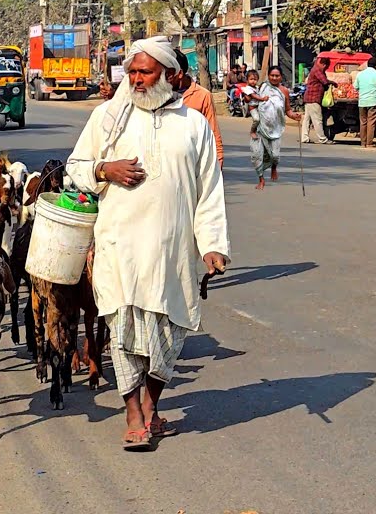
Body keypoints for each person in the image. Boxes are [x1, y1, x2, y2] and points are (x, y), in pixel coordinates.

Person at [64, 36, 229, 451]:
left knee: (170, 337)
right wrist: (106, 168)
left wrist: (212, 244)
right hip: (120, 248)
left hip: (172, 254)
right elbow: (76, 168)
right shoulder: (108, 118)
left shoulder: (192, 125)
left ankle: (151, 408)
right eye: (132, 72)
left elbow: (209, 188)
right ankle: (133, 415)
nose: (135, 79)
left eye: (145, 72)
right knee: (122, 334)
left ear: (168, 75)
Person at [172, 50, 225, 170]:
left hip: (195, 162)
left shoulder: (202, 95)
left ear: (179, 73)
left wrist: (218, 160)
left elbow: (213, 130)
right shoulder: (158, 95)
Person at [249, 66, 299, 190]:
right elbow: (251, 97)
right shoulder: (262, 87)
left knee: (275, 156)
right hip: (261, 127)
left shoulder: (284, 91)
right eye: (272, 75)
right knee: (257, 155)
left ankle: (274, 167)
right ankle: (261, 179)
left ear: (281, 77)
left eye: (277, 76)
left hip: (276, 129)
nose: (274, 78)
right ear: (268, 76)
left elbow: (287, 110)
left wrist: (295, 116)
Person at [353, 56, 376, 149]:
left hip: (362, 102)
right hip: (373, 101)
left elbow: (355, 86)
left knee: (363, 122)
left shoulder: (360, 74)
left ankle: (363, 142)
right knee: (371, 122)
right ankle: (369, 143)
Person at [301, 55, 333, 145]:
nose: (325, 68)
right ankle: (322, 138)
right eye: (326, 66)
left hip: (309, 98)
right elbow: (324, 81)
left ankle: (305, 137)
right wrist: (333, 83)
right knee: (317, 119)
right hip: (313, 98)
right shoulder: (317, 70)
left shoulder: (315, 69)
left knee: (307, 119)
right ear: (323, 64)